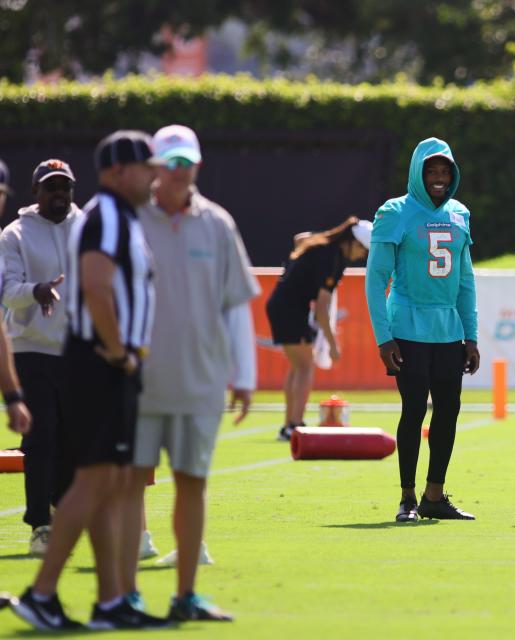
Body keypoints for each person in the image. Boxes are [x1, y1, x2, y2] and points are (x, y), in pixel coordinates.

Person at [5, 130, 170, 630]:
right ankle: (42, 594)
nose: (154, 176)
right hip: (102, 362)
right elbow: (98, 288)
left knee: (113, 482)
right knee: (95, 480)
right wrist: (120, 353)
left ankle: (110, 599)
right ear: (118, 172)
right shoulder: (106, 218)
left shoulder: (113, 217)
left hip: (107, 361)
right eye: (146, 167)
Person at [119, 124, 259, 622]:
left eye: (188, 163)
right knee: (131, 482)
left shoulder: (217, 223)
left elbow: (236, 306)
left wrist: (244, 375)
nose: (181, 172)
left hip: (201, 379)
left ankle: (185, 596)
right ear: (155, 167)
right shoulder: (128, 219)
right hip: (137, 382)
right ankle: (126, 596)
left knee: (191, 482)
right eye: (172, 163)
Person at [365, 137, 480, 523]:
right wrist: (384, 337)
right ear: (417, 172)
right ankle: (407, 498)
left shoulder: (460, 213)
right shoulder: (394, 212)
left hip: (448, 330)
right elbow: (375, 278)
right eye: (431, 170)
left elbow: (465, 281)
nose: (438, 178)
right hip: (408, 327)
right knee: (414, 409)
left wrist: (472, 336)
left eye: (444, 171)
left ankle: (435, 495)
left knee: (448, 410)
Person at [0, 159, 82, 557]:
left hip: (76, 349)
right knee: (41, 438)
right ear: (35, 193)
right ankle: (40, 524)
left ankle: (61, 512)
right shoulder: (14, 234)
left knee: (72, 440)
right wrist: (37, 290)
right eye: (51, 187)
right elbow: (8, 291)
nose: (59, 194)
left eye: (65, 187)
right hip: (30, 349)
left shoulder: (87, 226)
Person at [266, 216, 371, 440]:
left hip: (281, 304)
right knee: (304, 367)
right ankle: (294, 425)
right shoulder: (333, 258)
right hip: (290, 309)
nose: (363, 255)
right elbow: (321, 310)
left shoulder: (325, 245)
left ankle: (288, 425)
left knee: (297, 367)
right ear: (352, 242)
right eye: (363, 249)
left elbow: (300, 238)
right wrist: (333, 345)